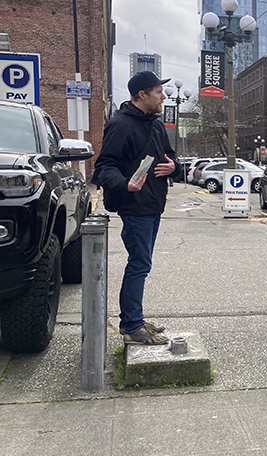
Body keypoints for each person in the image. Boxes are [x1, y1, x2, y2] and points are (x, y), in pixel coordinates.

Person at [92, 70, 182, 345]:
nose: (163, 96)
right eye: (158, 92)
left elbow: (171, 157)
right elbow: (103, 167)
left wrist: (173, 167)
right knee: (139, 264)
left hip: (154, 204)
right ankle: (131, 325)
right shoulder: (121, 124)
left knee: (141, 264)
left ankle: (136, 318)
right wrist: (125, 184)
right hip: (135, 206)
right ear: (142, 95)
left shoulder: (155, 124)